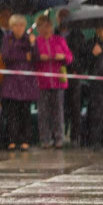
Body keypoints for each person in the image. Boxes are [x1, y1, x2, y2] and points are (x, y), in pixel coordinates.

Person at [33, 13, 72, 149]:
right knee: (43, 112)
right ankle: (45, 139)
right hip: (42, 82)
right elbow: (31, 58)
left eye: (48, 26)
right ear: (38, 29)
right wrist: (38, 57)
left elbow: (69, 57)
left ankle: (58, 138)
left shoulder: (59, 40)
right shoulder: (36, 42)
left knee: (58, 111)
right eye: (42, 27)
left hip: (58, 81)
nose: (46, 30)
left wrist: (63, 56)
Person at [0, 14, 38, 151]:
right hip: (11, 82)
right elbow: (6, 56)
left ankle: (25, 140)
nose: (19, 28)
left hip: (26, 83)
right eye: (16, 25)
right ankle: (12, 140)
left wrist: (33, 45)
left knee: (25, 113)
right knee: (12, 113)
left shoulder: (29, 39)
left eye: (22, 25)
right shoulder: (7, 39)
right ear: (11, 26)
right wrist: (23, 55)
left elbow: (36, 57)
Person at [56, 9, 86, 146]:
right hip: (57, 75)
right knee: (59, 107)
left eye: (66, 17)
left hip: (73, 75)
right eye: (61, 17)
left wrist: (76, 69)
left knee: (75, 107)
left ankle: (75, 137)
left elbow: (81, 55)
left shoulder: (78, 34)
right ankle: (58, 136)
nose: (63, 20)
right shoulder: (54, 33)